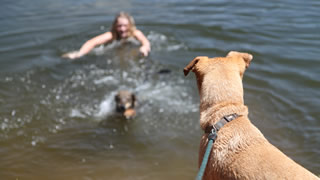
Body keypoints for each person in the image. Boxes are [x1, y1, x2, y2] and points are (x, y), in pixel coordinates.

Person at [63, 12, 151, 59]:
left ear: (130, 25)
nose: (122, 29)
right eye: (119, 26)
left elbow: (146, 42)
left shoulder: (135, 33)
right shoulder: (111, 35)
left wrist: (144, 48)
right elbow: (91, 42)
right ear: (115, 26)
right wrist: (80, 54)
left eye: (125, 26)